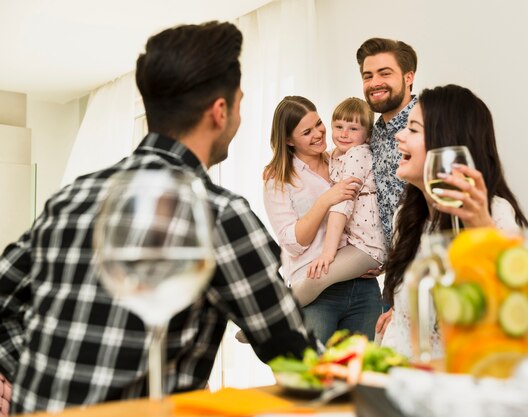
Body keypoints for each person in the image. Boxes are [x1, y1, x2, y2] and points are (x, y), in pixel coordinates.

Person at [0, 22, 315, 414]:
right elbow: (292, 355)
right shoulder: (217, 214)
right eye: (239, 103)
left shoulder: (70, 198)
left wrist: (24, 371)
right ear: (220, 112)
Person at [379, 84, 528, 359]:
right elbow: (402, 325)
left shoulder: (494, 214)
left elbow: (518, 309)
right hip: (401, 382)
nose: (399, 136)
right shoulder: (406, 218)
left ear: (445, 144)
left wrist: (481, 229)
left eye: (413, 129)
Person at [263, 96, 383, 343]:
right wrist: (326, 199)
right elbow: (293, 242)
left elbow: (375, 211)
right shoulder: (278, 177)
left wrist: (382, 260)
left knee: (358, 374)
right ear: (288, 140)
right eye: (307, 132)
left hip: (361, 287)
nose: (319, 133)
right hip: (315, 290)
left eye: (318, 123)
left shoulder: (341, 159)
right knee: (311, 376)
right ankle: (268, 322)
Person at [302, 97, 386, 306]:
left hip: (368, 246)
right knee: (311, 276)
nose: (344, 134)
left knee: (317, 276)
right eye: (338, 126)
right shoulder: (338, 154)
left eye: (353, 128)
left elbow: (342, 205)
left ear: (367, 134)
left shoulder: (358, 154)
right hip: (356, 242)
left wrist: (327, 254)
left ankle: (264, 325)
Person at [356, 37, 418, 249]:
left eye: (385, 73)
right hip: (396, 264)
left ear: (408, 77)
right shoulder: (374, 132)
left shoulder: (431, 122)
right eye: (368, 76)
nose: (374, 83)